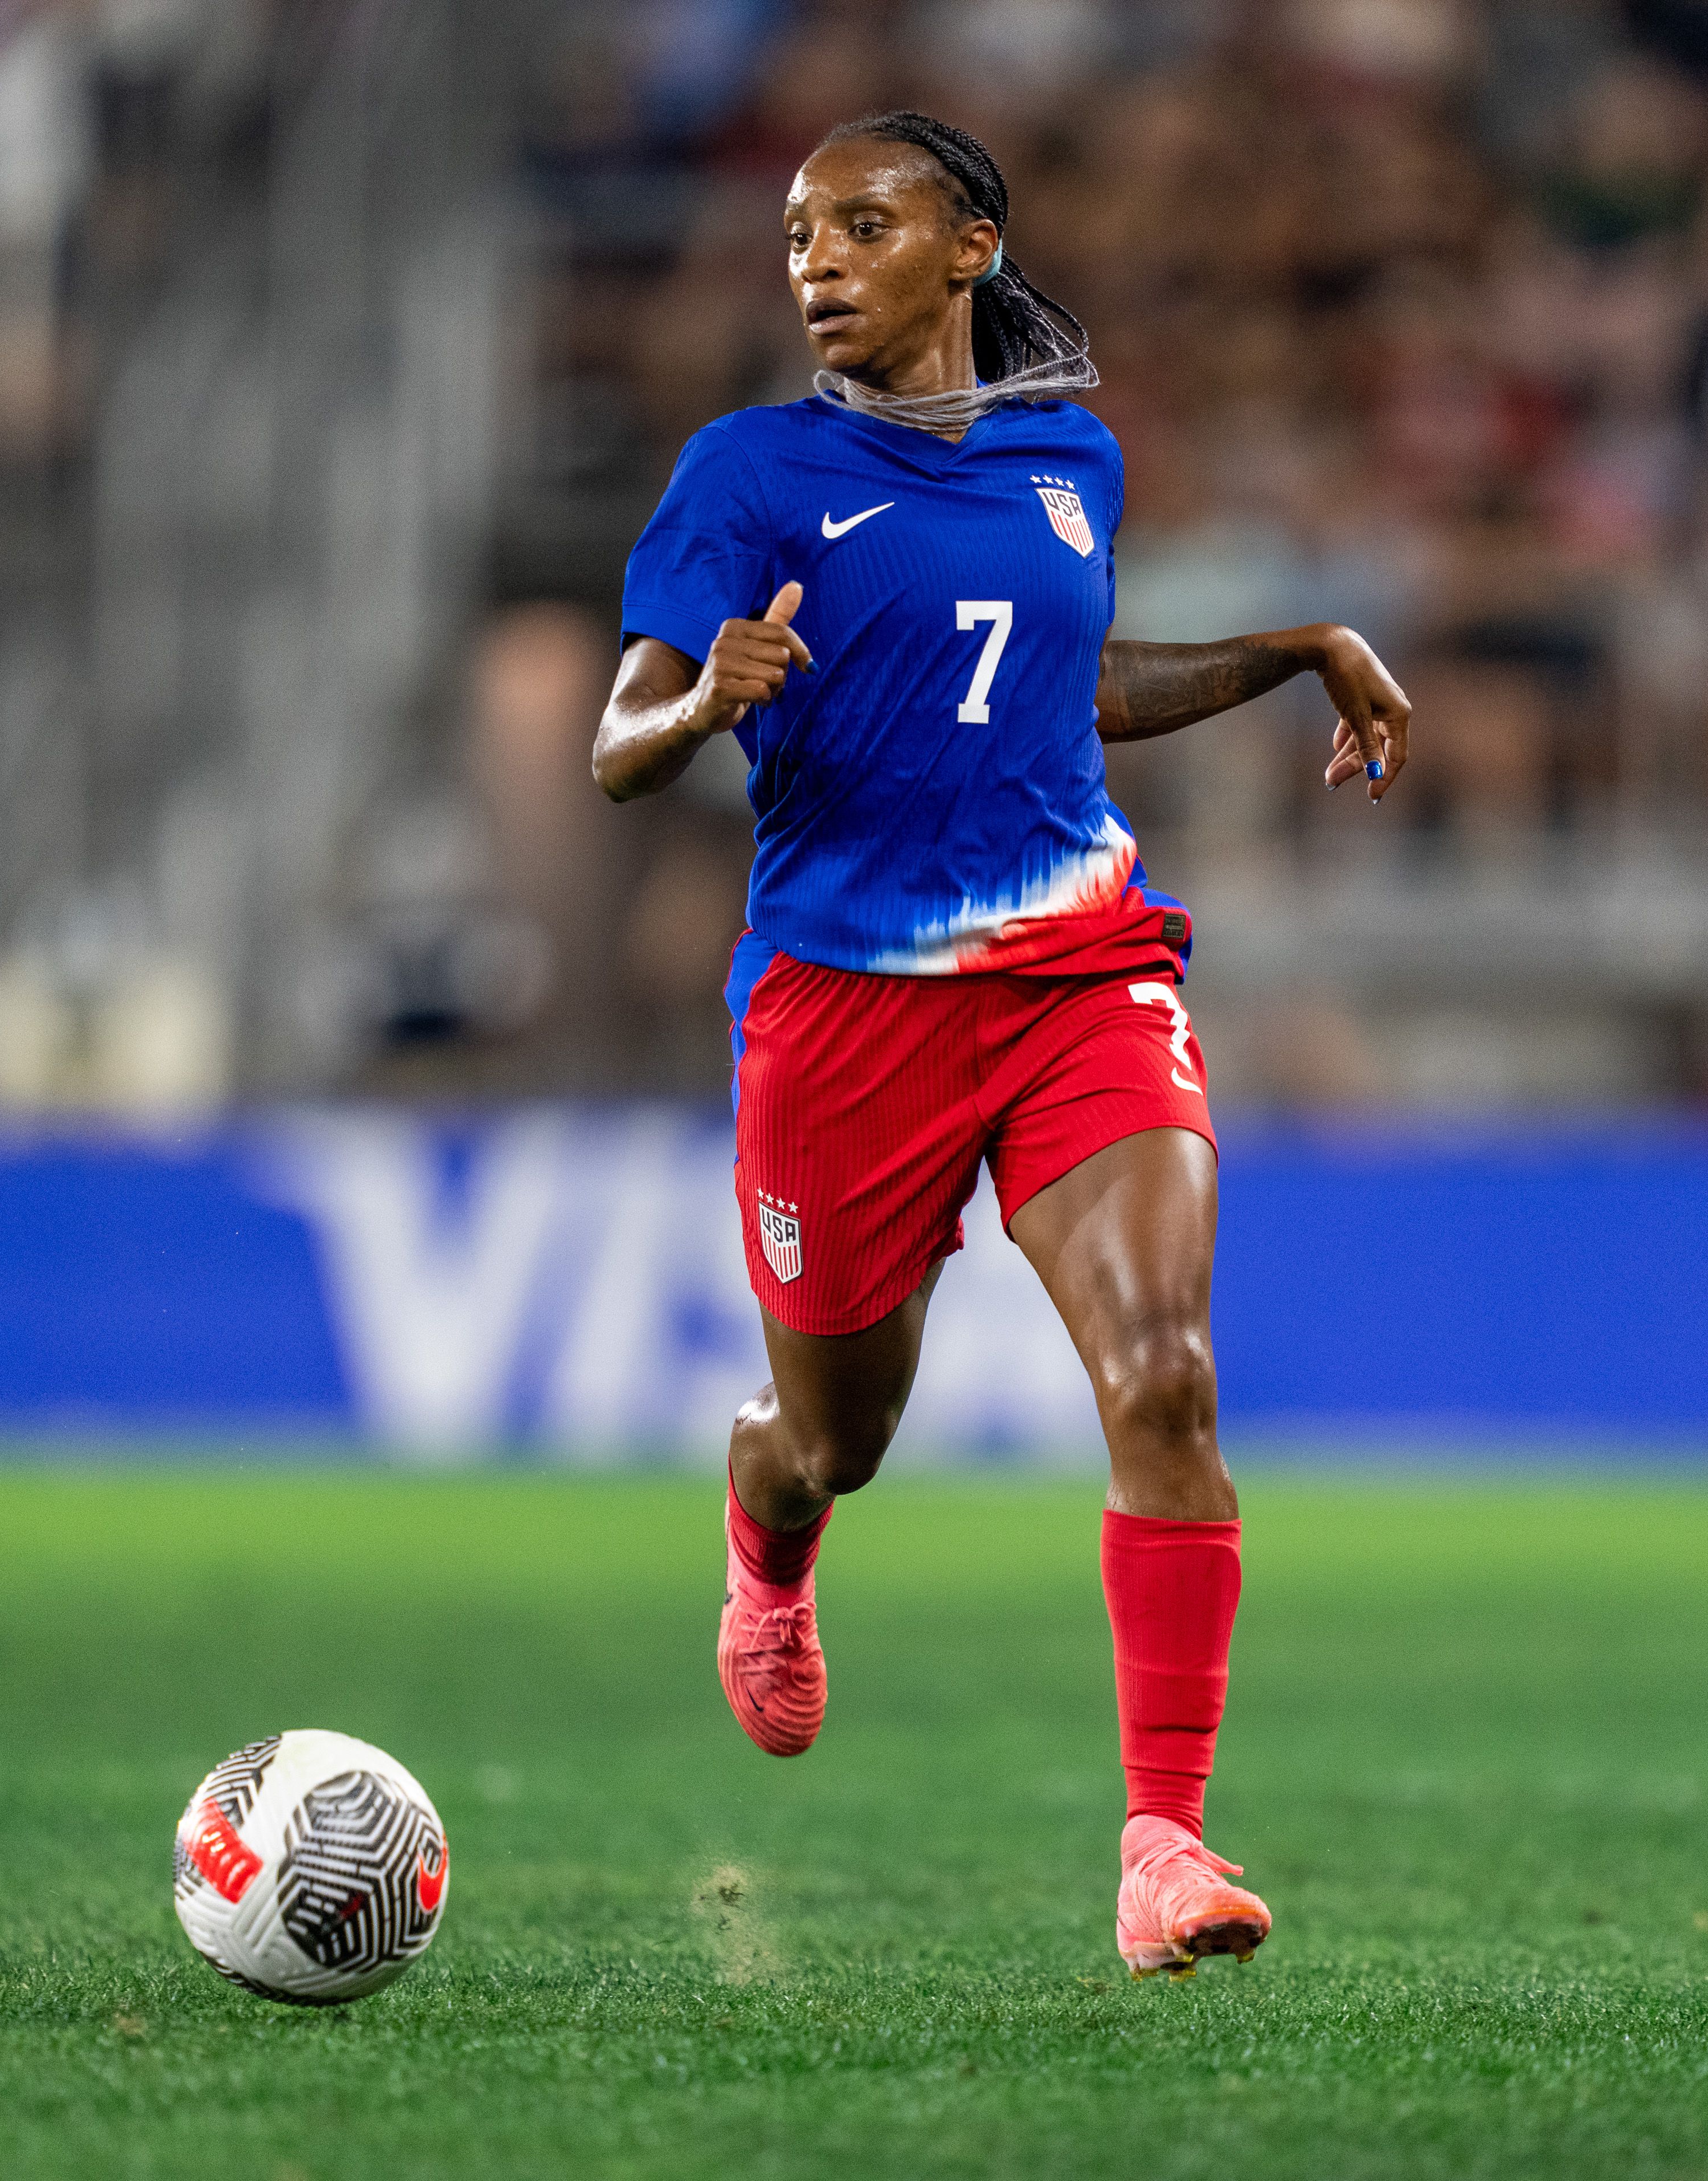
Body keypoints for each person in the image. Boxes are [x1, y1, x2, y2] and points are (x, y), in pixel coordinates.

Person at [591, 111, 1413, 1979]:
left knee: (1165, 1373)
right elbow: (616, 745)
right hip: (845, 1014)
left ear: (968, 250)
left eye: (862, 225)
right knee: (838, 1438)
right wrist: (697, 704)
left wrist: (1294, 646)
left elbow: (1069, 685)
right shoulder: (746, 476)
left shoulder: (1069, 460)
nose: (815, 259)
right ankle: (764, 1520)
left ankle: (1164, 1846)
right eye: (800, 232)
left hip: (1076, 981)